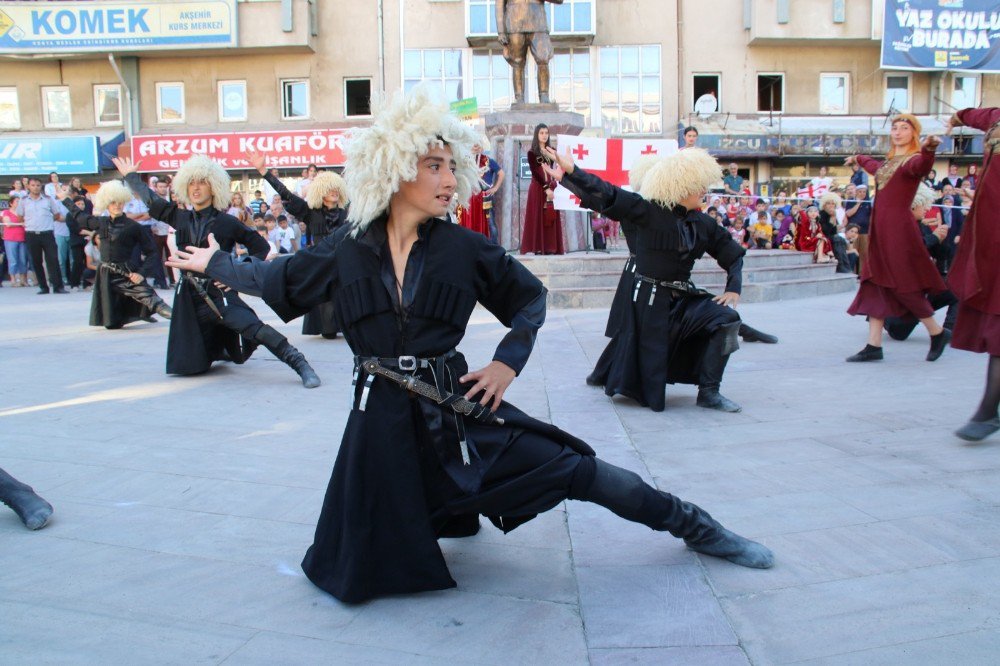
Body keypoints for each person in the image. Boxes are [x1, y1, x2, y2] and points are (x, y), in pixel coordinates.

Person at [166, 85, 773, 604]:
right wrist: (217, 264)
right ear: (395, 168)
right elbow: (278, 283)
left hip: (455, 405)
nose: (448, 178)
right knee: (365, 553)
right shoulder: (346, 249)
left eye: (449, 166)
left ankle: (693, 524)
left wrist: (508, 361)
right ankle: (434, 514)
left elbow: (531, 300)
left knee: (577, 469)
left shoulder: (463, 249)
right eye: (433, 165)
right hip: (377, 416)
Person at [547, 145, 748, 413]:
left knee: (727, 319)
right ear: (681, 185)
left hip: (683, 302)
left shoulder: (704, 224)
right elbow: (608, 194)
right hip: (649, 304)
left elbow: (733, 255)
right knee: (634, 352)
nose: (704, 190)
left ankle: (709, 392)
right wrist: (572, 172)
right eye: (698, 185)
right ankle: (606, 374)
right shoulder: (648, 211)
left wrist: (733, 288)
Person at [116, 154, 321, 388]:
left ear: (213, 187)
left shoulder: (227, 222)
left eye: (201, 182)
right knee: (192, 361)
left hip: (218, 293)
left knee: (256, 329)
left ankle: (299, 362)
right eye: (191, 182)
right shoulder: (178, 217)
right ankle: (219, 352)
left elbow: (261, 246)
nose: (196, 187)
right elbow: (152, 202)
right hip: (189, 299)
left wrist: (236, 275)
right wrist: (132, 178)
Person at [844, 114, 950, 363]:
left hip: (898, 231)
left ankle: (936, 332)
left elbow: (922, 166)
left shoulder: (913, 160)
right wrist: (857, 158)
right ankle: (874, 345)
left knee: (902, 283)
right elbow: (873, 166)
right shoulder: (889, 162)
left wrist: (930, 149)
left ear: (914, 133)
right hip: (881, 230)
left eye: (905, 128)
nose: (898, 131)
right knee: (874, 282)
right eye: (895, 127)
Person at [247, 149, 350, 339]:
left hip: (345, 260)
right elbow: (285, 193)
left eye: (336, 187)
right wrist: (264, 172)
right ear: (320, 191)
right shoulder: (310, 212)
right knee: (326, 314)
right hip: (322, 262)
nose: (333, 191)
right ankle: (328, 326)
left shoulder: (348, 212)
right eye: (329, 188)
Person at [945, 107, 1000, 441]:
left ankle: (987, 412)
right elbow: (971, 114)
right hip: (991, 245)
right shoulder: (996, 118)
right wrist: (956, 119)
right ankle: (988, 412)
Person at [59, 180, 173, 329]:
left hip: (126, 273)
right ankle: (136, 314)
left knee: (154, 301)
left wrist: (142, 273)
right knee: (112, 324)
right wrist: (64, 199)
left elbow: (152, 253)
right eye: (113, 202)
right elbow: (80, 217)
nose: (117, 205)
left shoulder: (133, 226)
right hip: (105, 274)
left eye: (120, 202)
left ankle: (183, 320)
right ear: (107, 203)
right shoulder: (101, 222)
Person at [884, 183, 958, 343]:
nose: (927, 208)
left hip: (921, 290)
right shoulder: (898, 226)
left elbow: (941, 254)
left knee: (957, 291)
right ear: (914, 204)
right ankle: (884, 320)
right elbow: (909, 251)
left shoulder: (921, 226)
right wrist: (934, 238)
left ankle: (949, 332)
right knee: (899, 332)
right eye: (925, 204)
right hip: (902, 297)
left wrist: (942, 239)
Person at [13, 176, 66, 294]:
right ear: (28, 186)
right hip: (31, 234)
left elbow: (56, 215)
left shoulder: (48, 199)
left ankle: (58, 286)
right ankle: (43, 287)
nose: (36, 188)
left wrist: (46, 220)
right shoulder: (24, 200)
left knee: (53, 259)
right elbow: (20, 217)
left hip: (47, 233)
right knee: (36, 261)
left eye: (38, 185)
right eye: (33, 185)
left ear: (41, 186)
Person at [520, 123, 564, 255]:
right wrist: (546, 189)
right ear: (537, 135)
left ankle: (551, 247)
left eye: (546, 133)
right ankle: (538, 247)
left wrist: (554, 183)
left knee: (550, 217)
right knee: (537, 216)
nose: (544, 135)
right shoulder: (532, 153)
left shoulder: (552, 150)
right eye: (541, 133)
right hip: (538, 189)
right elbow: (535, 173)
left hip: (550, 187)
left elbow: (559, 167)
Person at [818, 192, 853, 273]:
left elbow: (833, 231)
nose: (831, 206)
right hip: (821, 238)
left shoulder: (832, 214)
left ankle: (845, 266)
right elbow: (825, 231)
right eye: (828, 203)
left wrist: (834, 219)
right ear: (824, 205)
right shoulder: (821, 214)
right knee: (837, 239)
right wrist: (832, 219)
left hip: (830, 236)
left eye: (833, 204)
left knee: (840, 239)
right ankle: (841, 266)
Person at [1, 202, 27, 287]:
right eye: (16, 201)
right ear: (11, 203)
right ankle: (13, 280)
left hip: (22, 238)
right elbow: (8, 224)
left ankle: (23, 280)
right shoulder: (6, 212)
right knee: (13, 260)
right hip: (10, 239)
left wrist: (18, 223)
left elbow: (27, 223)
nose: (18, 203)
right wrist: (20, 224)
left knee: (23, 260)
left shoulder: (23, 212)